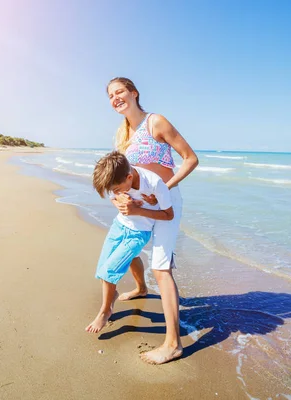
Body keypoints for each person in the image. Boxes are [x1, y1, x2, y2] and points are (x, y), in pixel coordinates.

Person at [107, 77, 199, 364]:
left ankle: (173, 344)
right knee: (126, 247)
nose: (115, 98)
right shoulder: (122, 137)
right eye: (110, 95)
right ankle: (141, 288)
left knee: (161, 267)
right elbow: (119, 177)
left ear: (134, 93)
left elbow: (190, 159)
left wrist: (164, 189)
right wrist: (119, 198)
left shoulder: (155, 122)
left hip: (165, 202)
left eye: (120, 91)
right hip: (137, 204)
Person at [85, 151, 174, 334]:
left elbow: (169, 215)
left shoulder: (154, 183)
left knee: (108, 272)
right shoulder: (120, 179)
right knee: (106, 268)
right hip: (119, 226)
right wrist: (117, 200)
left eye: (118, 188)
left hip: (139, 233)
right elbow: (114, 197)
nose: (116, 192)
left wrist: (136, 211)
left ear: (129, 177)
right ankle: (141, 289)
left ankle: (105, 310)